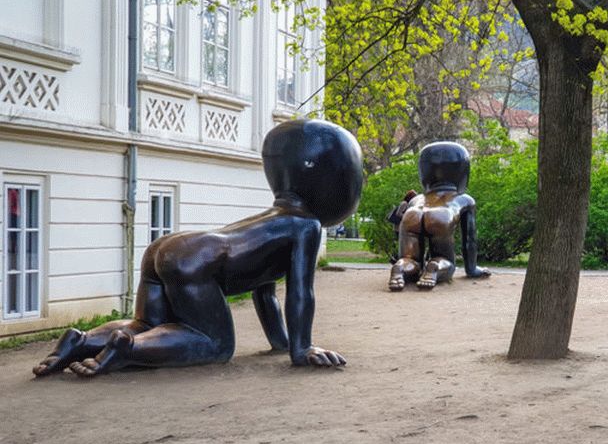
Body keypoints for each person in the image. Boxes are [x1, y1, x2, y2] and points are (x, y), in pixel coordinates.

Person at [33, 119, 363, 377]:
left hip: (171, 248)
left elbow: (266, 294)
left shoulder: (272, 220)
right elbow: (300, 292)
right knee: (214, 345)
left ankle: (82, 341)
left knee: (147, 324)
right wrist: (302, 349)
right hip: (197, 259)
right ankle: (127, 347)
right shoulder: (305, 225)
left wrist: (282, 343)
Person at [388, 142, 490, 291]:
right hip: (441, 217)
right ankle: (435, 266)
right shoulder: (465, 199)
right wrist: (472, 269)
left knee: (410, 259)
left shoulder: (416, 199)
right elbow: (470, 240)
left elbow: (397, 222)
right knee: (446, 261)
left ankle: (401, 267)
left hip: (412, 215)